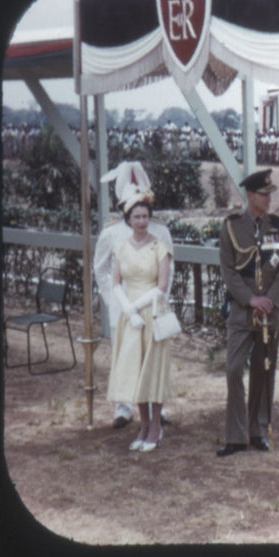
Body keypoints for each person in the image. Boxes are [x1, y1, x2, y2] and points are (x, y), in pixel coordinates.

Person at [216, 169, 279, 457]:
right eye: (264, 194)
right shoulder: (232, 227)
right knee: (234, 369)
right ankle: (235, 435)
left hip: (270, 313)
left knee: (264, 371)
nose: (269, 198)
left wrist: (270, 300)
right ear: (250, 196)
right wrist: (251, 299)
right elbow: (228, 270)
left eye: (270, 193)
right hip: (241, 312)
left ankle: (259, 430)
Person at [94, 161, 174, 429]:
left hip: (151, 301)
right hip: (124, 303)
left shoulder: (160, 232)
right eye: (134, 212)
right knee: (126, 355)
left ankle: (156, 408)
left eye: (144, 212)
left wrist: (159, 299)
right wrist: (114, 302)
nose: (140, 219)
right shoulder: (112, 233)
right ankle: (124, 407)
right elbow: (101, 268)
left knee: (152, 354)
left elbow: (168, 269)